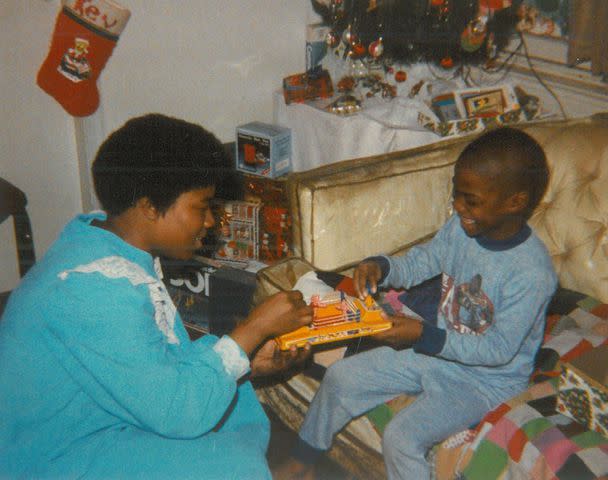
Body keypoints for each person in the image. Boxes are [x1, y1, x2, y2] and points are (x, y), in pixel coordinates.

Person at [0, 114, 313, 479]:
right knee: (234, 465)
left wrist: (247, 359)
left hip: (100, 416)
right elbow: (176, 409)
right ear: (149, 207)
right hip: (53, 454)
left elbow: (152, 360)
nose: (211, 221)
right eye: (202, 206)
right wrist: (254, 328)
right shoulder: (93, 287)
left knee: (232, 406)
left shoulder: (108, 244)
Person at [278, 127, 558, 479]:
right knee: (341, 377)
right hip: (436, 353)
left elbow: (498, 350)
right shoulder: (461, 227)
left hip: (486, 382)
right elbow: (424, 260)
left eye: (471, 201)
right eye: (457, 194)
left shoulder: (532, 272)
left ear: (514, 202)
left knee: (402, 438)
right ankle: (303, 461)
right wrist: (383, 266)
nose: (458, 207)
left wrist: (424, 337)